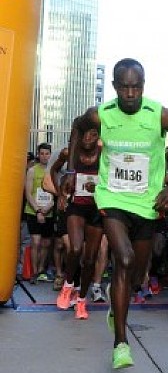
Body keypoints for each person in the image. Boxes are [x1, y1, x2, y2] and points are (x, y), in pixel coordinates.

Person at [71, 58, 168, 370]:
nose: (130, 93)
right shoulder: (101, 114)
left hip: (147, 203)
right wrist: (75, 163)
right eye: (124, 87)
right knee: (125, 260)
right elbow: (78, 125)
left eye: (136, 87)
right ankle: (120, 343)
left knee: (136, 273)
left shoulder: (160, 114)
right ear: (115, 87)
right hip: (113, 197)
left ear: (143, 85)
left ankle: (117, 304)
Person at [51, 130, 103, 319]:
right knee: (75, 248)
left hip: (97, 209)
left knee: (90, 259)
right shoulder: (69, 153)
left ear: (99, 137)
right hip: (76, 207)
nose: (88, 138)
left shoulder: (104, 153)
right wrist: (60, 194)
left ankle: (81, 300)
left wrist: (100, 188)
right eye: (84, 135)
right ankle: (68, 285)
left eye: (93, 135)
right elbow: (53, 170)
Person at [23, 143, 55, 284]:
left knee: (46, 243)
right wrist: (37, 211)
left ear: (50, 155)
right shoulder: (32, 171)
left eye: (47, 153)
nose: (44, 156)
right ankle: (34, 272)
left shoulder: (53, 171)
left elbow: (56, 193)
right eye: (41, 153)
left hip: (49, 210)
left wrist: (48, 208)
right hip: (33, 211)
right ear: (38, 154)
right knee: (36, 241)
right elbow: (28, 193)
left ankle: (41, 270)